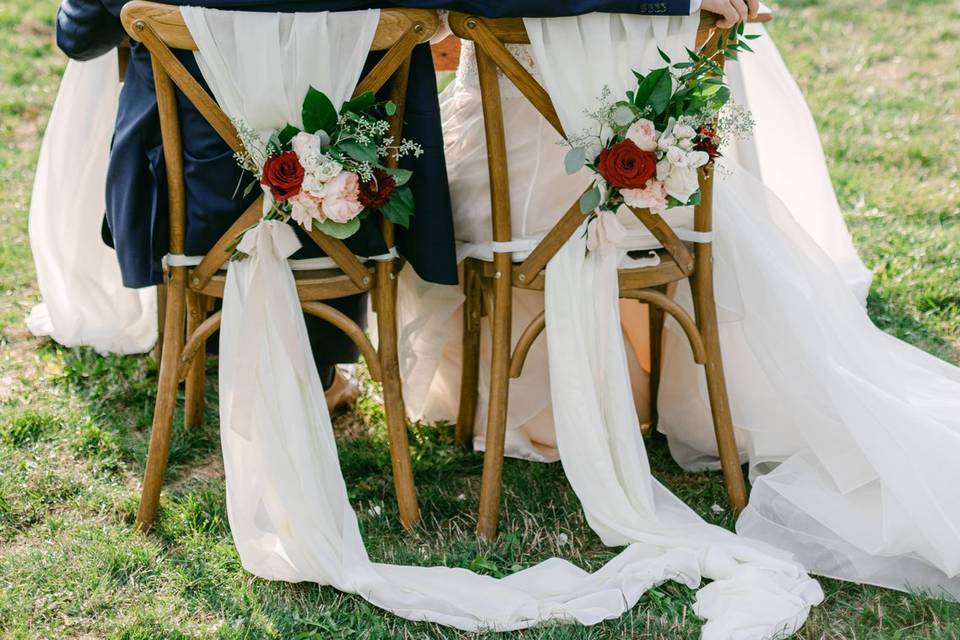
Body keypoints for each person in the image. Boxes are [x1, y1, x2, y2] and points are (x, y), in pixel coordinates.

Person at [397, 14, 960, 597]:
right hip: (659, 200)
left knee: (459, 157)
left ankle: (549, 395)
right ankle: (658, 389)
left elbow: (433, 27)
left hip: (513, 204)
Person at [51, 0, 710, 411]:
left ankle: (217, 350)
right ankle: (321, 359)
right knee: (348, 113)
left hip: (193, 217)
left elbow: (78, 37)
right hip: (350, 215)